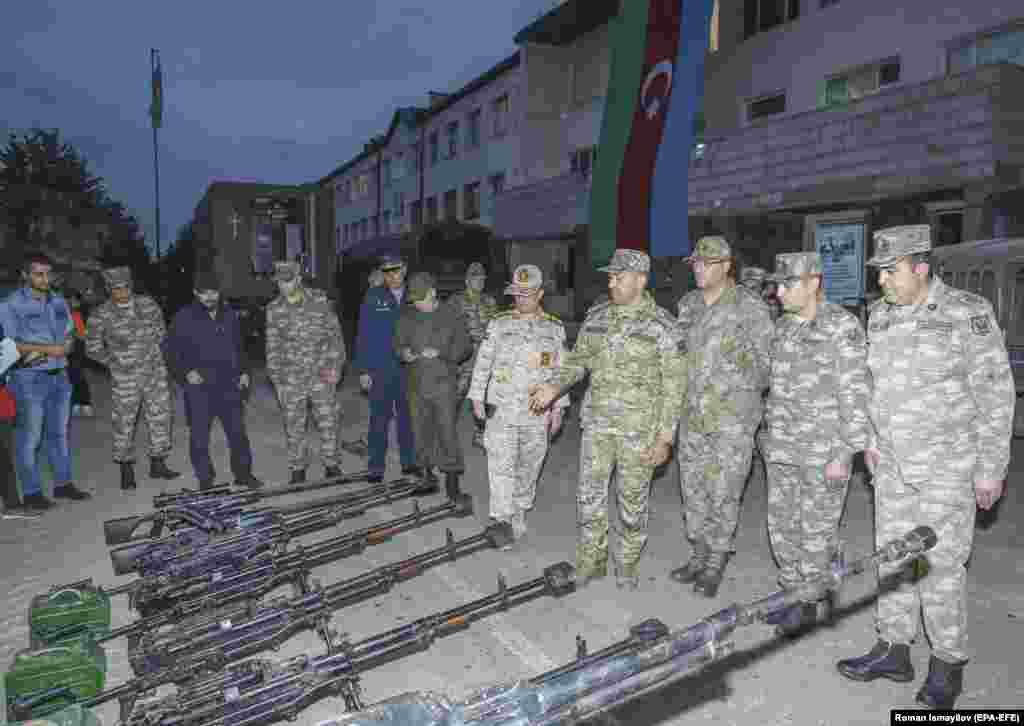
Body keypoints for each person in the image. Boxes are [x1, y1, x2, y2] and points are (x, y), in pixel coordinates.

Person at [835, 225, 1013, 710]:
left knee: (938, 567)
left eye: (891, 272)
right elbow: (873, 386)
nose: (883, 283)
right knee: (892, 557)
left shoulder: (966, 314)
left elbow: (996, 396)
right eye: (880, 274)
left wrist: (990, 468)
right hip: (891, 465)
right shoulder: (881, 318)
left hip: (948, 468)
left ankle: (947, 663)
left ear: (921, 267)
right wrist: (870, 442)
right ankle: (894, 648)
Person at [529, 249, 687, 590]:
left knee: (632, 503)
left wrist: (665, 439)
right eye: (611, 276)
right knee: (589, 497)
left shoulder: (662, 325)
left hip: (639, 432)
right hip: (598, 426)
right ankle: (592, 560)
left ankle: (627, 563)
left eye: (619, 276)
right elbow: (579, 360)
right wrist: (553, 386)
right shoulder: (598, 317)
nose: (611, 282)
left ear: (641, 280)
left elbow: (675, 387)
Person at [760, 252, 871, 635]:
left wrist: (845, 454)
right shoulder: (784, 327)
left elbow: (856, 396)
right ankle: (791, 593)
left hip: (824, 451)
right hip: (783, 447)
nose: (778, 292)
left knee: (817, 531)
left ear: (813, 283)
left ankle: (809, 602)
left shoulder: (842, 328)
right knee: (782, 526)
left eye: (787, 285)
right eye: (777, 285)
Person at [669, 235, 773, 598]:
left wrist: (732, 384)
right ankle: (698, 554)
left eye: (706, 263)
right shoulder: (689, 304)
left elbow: (767, 367)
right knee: (693, 487)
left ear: (726, 266)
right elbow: (677, 357)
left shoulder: (750, 307)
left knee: (724, 491)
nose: (698, 269)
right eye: (695, 263)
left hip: (731, 418)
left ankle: (715, 561)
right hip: (692, 416)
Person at [468, 265, 568, 545]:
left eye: (527, 295)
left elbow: (561, 371)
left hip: (537, 412)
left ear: (540, 294)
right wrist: (477, 397)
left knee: (530, 466)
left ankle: (519, 509)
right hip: (502, 408)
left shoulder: (554, 328)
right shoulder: (499, 323)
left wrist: (559, 407)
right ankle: (502, 519)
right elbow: (483, 362)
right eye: (516, 294)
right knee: (500, 464)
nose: (520, 300)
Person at [0, 252, 91, 508]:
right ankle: (31, 492)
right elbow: (10, 343)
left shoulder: (58, 301)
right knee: (30, 437)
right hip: (28, 378)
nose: (45, 278)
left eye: (48, 273)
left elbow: (71, 332)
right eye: (38, 273)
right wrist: (50, 350)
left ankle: (63, 484)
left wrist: (69, 344)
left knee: (59, 434)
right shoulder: (11, 305)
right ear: (25, 275)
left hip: (59, 376)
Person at [163, 269, 264, 490]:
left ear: (219, 292)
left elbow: (241, 347)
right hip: (199, 388)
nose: (209, 298)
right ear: (196, 293)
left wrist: (245, 371)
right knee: (199, 438)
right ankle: (206, 480)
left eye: (214, 293)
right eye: (204, 293)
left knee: (238, 434)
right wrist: (185, 372)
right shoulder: (184, 316)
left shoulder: (229, 314)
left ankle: (243, 474)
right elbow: (169, 351)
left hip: (229, 385)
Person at [86, 265, 180, 490]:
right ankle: (125, 467)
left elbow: (161, 333)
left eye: (125, 287)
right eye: (116, 289)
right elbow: (92, 347)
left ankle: (158, 462)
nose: (121, 293)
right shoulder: (101, 314)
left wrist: (155, 357)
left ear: (131, 286)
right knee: (124, 423)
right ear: (109, 289)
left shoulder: (148, 305)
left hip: (154, 373)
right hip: (125, 379)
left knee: (160, 418)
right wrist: (114, 362)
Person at [265, 261, 346, 484]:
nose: (284, 286)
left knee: (328, 421)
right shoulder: (273, 309)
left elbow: (335, 337)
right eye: (280, 282)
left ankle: (331, 464)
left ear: (299, 279)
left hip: (321, 374)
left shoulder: (319, 301)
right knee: (293, 424)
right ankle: (297, 468)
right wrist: (277, 381)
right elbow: (272, 347)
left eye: (288, 281)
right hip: (291, 377)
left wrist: (335, 367)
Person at [393, 271, 472, 498]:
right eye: (414, 300)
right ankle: (426, 477)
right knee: (420, 432)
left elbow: (466, 347)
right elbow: (398, 343)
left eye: (422, 299)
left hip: (443, 384)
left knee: (447, 433)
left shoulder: (451, 314)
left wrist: (442, 352)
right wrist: (404, 353)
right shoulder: (407, 316)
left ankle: (452, 481)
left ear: (433, 292)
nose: (418, 304)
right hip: (416, 383)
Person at [352, 256, 417, 483]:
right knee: (378, 419)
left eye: (396, 271)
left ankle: (409, 463)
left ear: (405, 269)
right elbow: (363, 335)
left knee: (408, 419)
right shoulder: (374, 296)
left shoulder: (414, 295)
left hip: (409, 369)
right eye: (387, 272)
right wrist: (363, 370)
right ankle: (375, 467)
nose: (391, 276)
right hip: (380, 368)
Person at [448, 262, 498, 450]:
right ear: (468, 280)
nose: (480, 282)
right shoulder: (456, 301)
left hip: (485, 359)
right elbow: (447, 327)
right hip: (465, 359)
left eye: (482, 279)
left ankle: (480, 435)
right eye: (476, 279)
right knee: (456, 397)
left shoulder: (490, 301)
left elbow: (496, 326)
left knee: (485, 399)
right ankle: (445, 433)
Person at [65, 290, 94, 418]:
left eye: (72, 300)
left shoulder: (78, 314)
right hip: (70, 349)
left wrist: (72, 334)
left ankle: (85, 403)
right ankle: (77, 403)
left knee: (77, 375)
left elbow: (82, 334)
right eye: (69, 300)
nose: (70, 302)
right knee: (72, 376)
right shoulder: (71, 313)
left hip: (77, 349)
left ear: (77, 301)